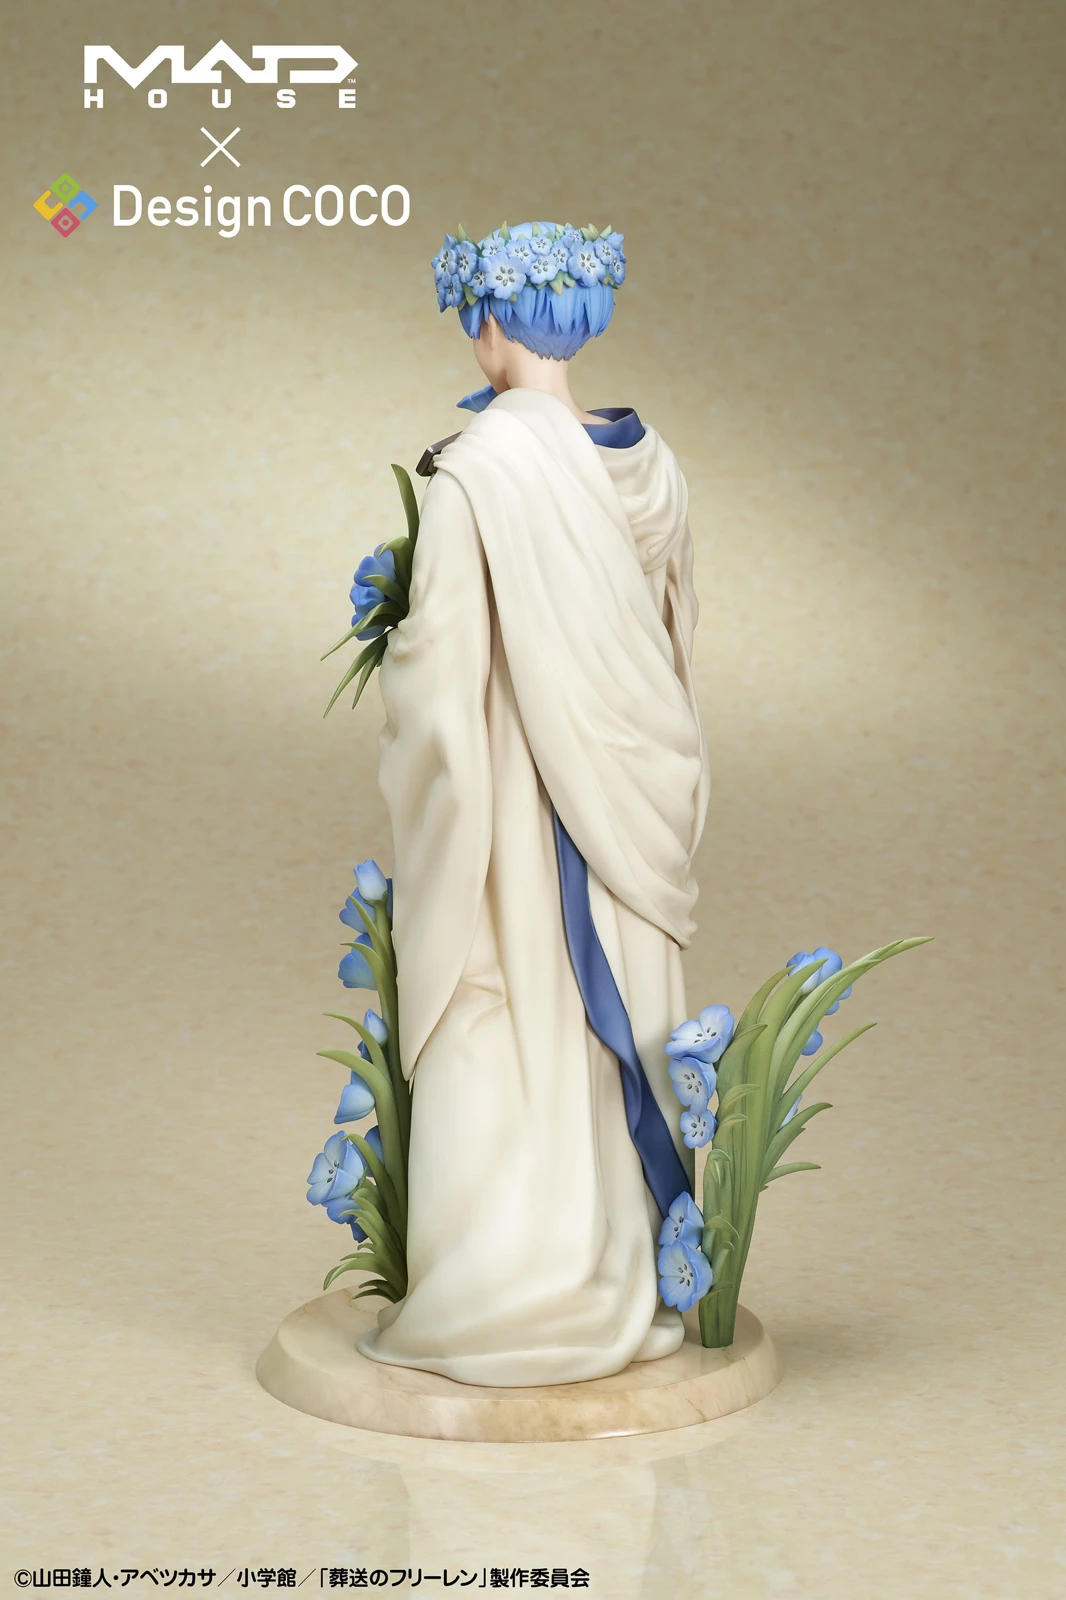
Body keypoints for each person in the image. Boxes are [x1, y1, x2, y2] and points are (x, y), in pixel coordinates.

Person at [357, 221, 709, 1386]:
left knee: (498, 1023)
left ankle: (505, 1291)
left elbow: (442, 677)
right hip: (625, 808)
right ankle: (618, 1257)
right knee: (608, 1039)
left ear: (488, 324)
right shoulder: (653, 470)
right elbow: (673, 644)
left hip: (519, 808)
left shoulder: (479, 470)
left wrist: (394, 650)